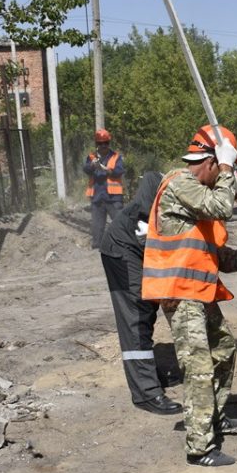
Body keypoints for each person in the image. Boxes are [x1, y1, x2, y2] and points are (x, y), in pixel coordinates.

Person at [141, 125, 237, 467]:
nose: (224, 176)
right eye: (222, 166)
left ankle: (212, 417)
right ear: (212, 161)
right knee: (199, 366)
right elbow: (220, 207)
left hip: (198, 293)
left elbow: (215, 253)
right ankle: (200, 448)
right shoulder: (180, 183)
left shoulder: (197, 192)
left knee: (224, 349)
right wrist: (227, 170)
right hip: (179, 295)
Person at [99, 171, 184, 415]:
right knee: (137, 314)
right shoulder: (173, 182)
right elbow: (150, 180)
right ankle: (146, 393)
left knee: (147, 310)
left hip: (138, 249)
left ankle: (148, 376)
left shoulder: (192, 188)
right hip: (121, 250)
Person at [83, 128, 124, 249]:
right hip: (97, 197)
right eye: (100, 143)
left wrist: (106, 169)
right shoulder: (91, 157)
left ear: (109, 143)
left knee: (119, 222)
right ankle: (97, 247)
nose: (103, 146)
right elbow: (86, 169)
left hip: (113, 197)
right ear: (97, 144)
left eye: (106, 143)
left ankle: (123, 245)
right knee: (97, 225)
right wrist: (92, 165)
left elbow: (119, 171)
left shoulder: (116, 157)